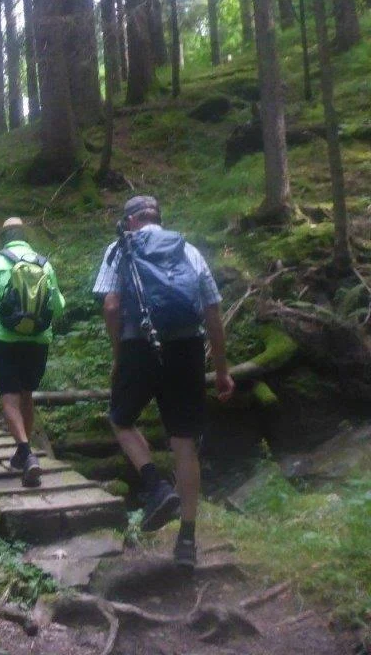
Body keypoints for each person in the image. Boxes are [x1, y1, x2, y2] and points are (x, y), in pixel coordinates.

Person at [93, 195, 234, 569]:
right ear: (157, 217)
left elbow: (110, 306)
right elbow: (213, 310)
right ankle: (187, 541)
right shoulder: (186, 249)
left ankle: (156, 485)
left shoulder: (120, 249)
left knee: (121, 419)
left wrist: (119, 352)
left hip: (139, 345)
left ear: (130, 221)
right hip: (187, 346)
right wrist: (221, 370)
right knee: (184, 441)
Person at [0, 217, 65, 488]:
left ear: (4, 237)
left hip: (5, 338)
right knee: (26, 394)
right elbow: (58, 307)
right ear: (25, 235)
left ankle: (25, 452)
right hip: (38, 340)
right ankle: (24, 453)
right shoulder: (44, 263)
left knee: (8, 398)